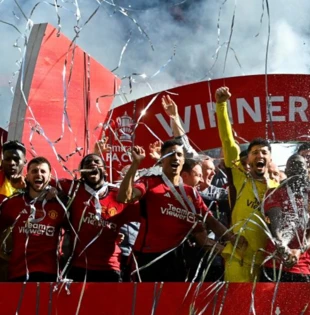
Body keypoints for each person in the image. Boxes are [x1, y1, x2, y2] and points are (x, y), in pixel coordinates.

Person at [117, 141, 229, 282]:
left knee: (174, 302)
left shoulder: (190, 193)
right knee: (145, 302)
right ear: (162, 159)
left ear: (183, 161)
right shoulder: (149, 182)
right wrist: (135, 165)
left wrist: (233, 241)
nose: (175, 157)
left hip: (177, 260)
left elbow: (211, 222)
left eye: (179, 155)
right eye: (170, 154)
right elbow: (123, 197)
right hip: (148, 259)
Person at [215, 86, 278, 282]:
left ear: (270, 159)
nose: (260, 155)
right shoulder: (240, 178)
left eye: (264, 152)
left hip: (268, 262)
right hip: (239, 256)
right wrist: (221, 104)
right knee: (237, 305)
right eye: (255, 152)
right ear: (248, 159)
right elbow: (228, 141)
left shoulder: (276, 189)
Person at [58, 153, 139, 282]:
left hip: (110, 267)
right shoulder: (74, 188)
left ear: (105, 170)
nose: (92, 164)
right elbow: (45, 182)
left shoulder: (118, 195)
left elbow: (148, 213)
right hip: (79, 266)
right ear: (82, 172)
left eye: (97, 161)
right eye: (88, 163)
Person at [262, 154, 310, 282]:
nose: (297, 169)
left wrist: (300, 250)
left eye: (301, 165)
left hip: (304, 267)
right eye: (293, 165)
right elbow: (276, 222)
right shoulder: (274, 193)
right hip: (274, 265)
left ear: (306, 171)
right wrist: (283, 247)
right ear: (286, 171)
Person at [0, 157, 66, 281]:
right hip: (18, 273)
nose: (38, 174)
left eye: (43, 171)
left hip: (50, 274)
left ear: (50, 177)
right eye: (34, 171)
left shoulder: (60, 206)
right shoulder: (13, 203)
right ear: (28, 176)